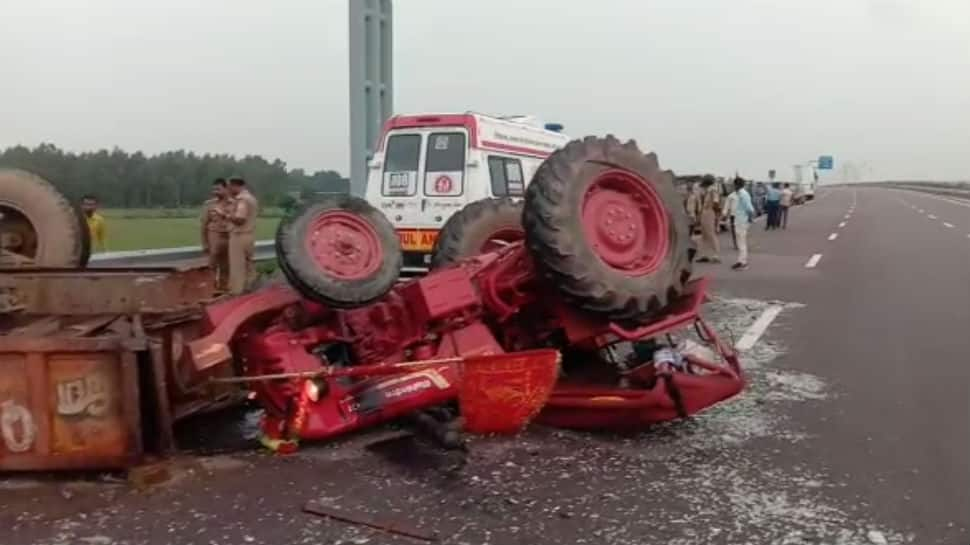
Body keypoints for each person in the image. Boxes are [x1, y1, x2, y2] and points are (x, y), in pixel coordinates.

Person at [226, 177, 259, 294]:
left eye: (229, 187)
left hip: (239, 236)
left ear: (235, 186)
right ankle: (252, 289)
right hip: (249, 236)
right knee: (249, 265)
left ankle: (236, 293)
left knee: (237, 267)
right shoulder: (251, 198)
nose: (228, 190)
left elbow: (240, 218)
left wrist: (227, 216)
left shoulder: (242, 199)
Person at [200, 178, 234, 293]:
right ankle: (210, 290)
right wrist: (204, 243)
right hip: (214, 238)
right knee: (211, 267)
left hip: (229, 239)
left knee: (226, 267)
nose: (215, 192)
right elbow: (204, 225)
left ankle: (223, 290)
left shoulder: (234, 203)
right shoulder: (209, 204)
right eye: (214, 189)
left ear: (226, 189)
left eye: (218, 189)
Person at [731, 177, 755, 270]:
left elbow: (749, 208)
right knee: (740, 242)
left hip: (742, 221)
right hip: (739, 220)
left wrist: (750, 218)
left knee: (741, 242)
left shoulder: (743, 194)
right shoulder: (741, 194)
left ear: (737, 185)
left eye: (734, 185)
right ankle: (740, 261)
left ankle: (743, 263)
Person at [695, 177, 721, 263]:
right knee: (704, 235)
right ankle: (704, 255)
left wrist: (716, 214)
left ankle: (716, 255)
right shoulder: (707, 191)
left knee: (710, 234)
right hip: (705, 212)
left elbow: (716, 202)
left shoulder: (713, 190)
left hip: (709, 212)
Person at [723, 183, 739, 250]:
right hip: (733, 216)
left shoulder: (745, 195)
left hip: (742, 216)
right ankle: (736, 244)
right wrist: (724, 213)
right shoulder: (731, 196)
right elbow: (726, 206)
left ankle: (740, 243)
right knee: (734, 231)